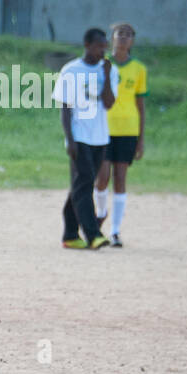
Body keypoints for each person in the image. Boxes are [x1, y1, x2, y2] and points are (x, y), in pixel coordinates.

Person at [55, 28, 118, 249]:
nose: (103, 50)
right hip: (79, 136)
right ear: (87, 45)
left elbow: (109, 104)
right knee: (84, 183)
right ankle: (93, 235)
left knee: (81, 185)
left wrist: (108, 75)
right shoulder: (71, 71)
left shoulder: (110, 70)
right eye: (99, 46)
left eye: (105, 46)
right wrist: (70, 139)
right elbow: (65, 108)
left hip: (100, 136)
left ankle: (70, 235)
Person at [93, 22, 146, 247]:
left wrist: (141, 138)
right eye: (119, 34)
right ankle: (100, 215)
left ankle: (115, 232)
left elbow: (141, 105)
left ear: (132, 40)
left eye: (128, 35)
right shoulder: (101, 65)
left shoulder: (138, 69)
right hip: (104, 128)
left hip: (128, 129)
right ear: (112, 38)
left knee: (121, 178)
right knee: (102, 176)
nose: (123, 38)